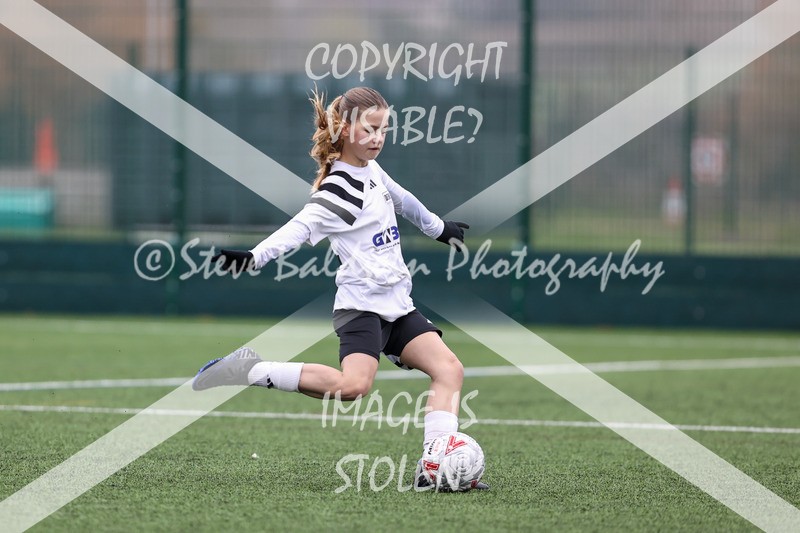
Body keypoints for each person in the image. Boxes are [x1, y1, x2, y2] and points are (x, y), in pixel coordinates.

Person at [192, 86, 484, 490]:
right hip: (361, 307)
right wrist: (256, 256)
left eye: (384, 129)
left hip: (398, 305)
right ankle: (250, 369)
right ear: (345, 129)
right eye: (370, 129)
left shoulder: (373, 171)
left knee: (449, 369)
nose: (379, 138)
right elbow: (301, 227)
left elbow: (404, 200)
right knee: (353, 387)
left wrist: (440, 229)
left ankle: (431, 470)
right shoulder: (338, 190)